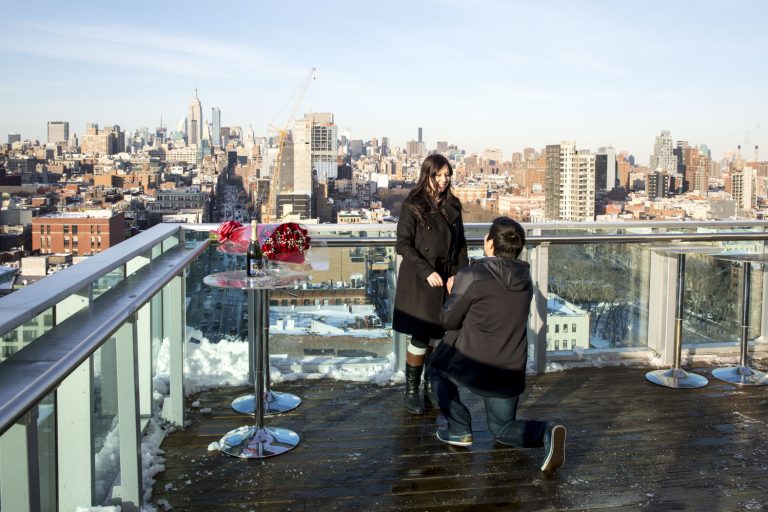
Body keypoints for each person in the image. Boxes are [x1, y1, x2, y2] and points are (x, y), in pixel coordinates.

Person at [428, 217, 566, 472]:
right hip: (510, 367)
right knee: (502, 429)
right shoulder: (525, 277)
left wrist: (452, 290)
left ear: (489, 243)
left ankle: (459, 429)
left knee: (435, 369)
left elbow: (448, 320)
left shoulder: (472, 275)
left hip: (473, 362)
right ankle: (546, 432)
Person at [393, 154, 468, 415]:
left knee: (438, 335)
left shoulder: (453, 205)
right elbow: (403, 243)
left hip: (446, 277)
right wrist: (427, 271)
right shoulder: (413, 204)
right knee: (421, 335)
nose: (444, 180)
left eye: (447, 175)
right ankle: (412, 390)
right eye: (438, 175)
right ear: (428, 174)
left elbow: (460, 245)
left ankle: (429, 385)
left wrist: (459, 275)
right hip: (420, 278)